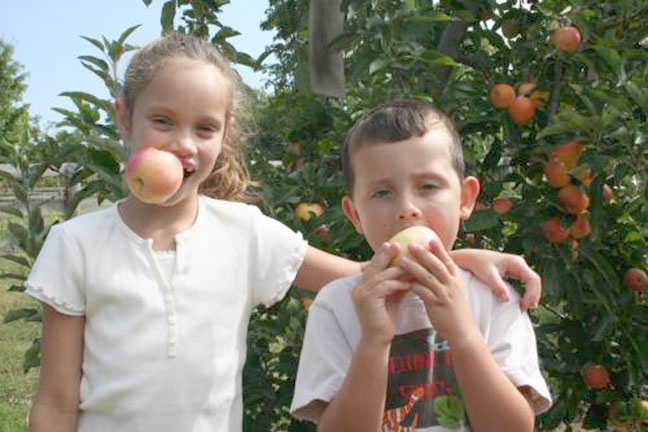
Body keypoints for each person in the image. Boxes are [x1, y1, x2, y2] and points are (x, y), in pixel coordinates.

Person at [25, 34, 542, 432]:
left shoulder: (243, 232)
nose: (184, 144)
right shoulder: (77, 244)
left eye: (205, 128)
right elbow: (55, 399)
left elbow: (371, 269)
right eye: (163, 120)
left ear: (224, 135)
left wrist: (468, 258)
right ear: (124, 118)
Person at [290, 100, 552, 431]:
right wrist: (373, 342)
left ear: (465, 199)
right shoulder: (336, 306)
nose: (407, 208)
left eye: (428, 186)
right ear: (354, 214)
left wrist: (462, 333)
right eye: (383, 192)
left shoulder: (494, 295)